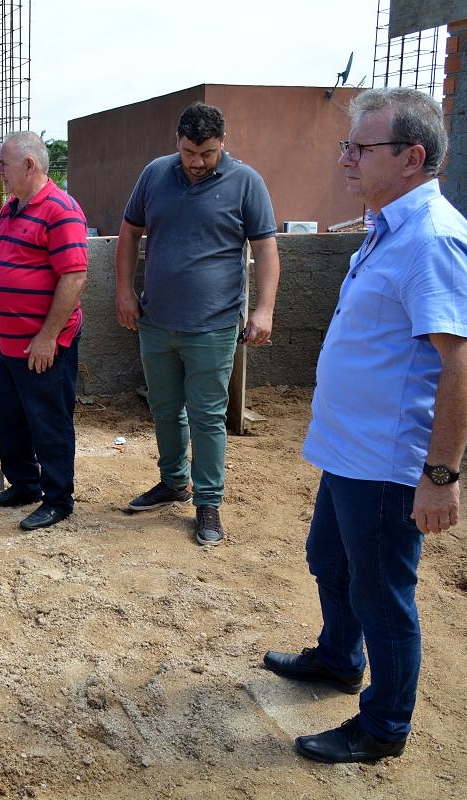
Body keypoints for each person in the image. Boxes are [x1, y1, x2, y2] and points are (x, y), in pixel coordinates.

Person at [263, 88, 467, 764]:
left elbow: (464, 365)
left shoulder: (433, 240)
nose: (346, 161)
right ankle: (338, 657)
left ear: (413, 156)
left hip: (391, 463)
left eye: (361, 149)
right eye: (348, 146)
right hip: (350, 451)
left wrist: (440, 477)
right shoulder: (390, 226)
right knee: (329, 560)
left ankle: (384, 728)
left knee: (384, 597)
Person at [114, 102, 280, 546]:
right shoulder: (155, 174)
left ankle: (208, 501)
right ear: (178, 142)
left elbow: (266, 249)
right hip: (157, 321)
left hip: (214, 325)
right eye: (189, 151)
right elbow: (129, 231)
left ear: (222, 143)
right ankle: (173, 482)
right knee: (165, 408)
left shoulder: (246, 182)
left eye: (206, 153)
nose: (196, 162)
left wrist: (264, 310)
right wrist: (126, 291)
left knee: (207, 416)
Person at [0, 132, 88, 530]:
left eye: (4, 164)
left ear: (29, 165)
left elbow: (74, 276)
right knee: (8, 416)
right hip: (9, 341)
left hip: (43, 344)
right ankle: (25, 484)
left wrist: (47, 336)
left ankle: (58, 498)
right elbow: (4, 264)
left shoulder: (61, 210)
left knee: (48, 420)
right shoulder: (12, 208)